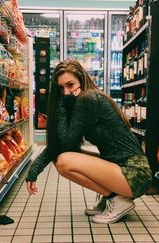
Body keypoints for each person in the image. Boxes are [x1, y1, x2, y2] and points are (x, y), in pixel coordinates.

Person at [26, 58, 152, 224]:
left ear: (81, 79)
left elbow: (65, 143)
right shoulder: (86, 99)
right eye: (61, 88)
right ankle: (113, 197)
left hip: (134, 173)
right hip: (122, 167)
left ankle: (116, 198)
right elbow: (61, 146)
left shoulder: (89, 99)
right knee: (64, 157)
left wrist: (62, 105)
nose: (65, 92)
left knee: (64, 161)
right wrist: (34, 171)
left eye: (70, 85)